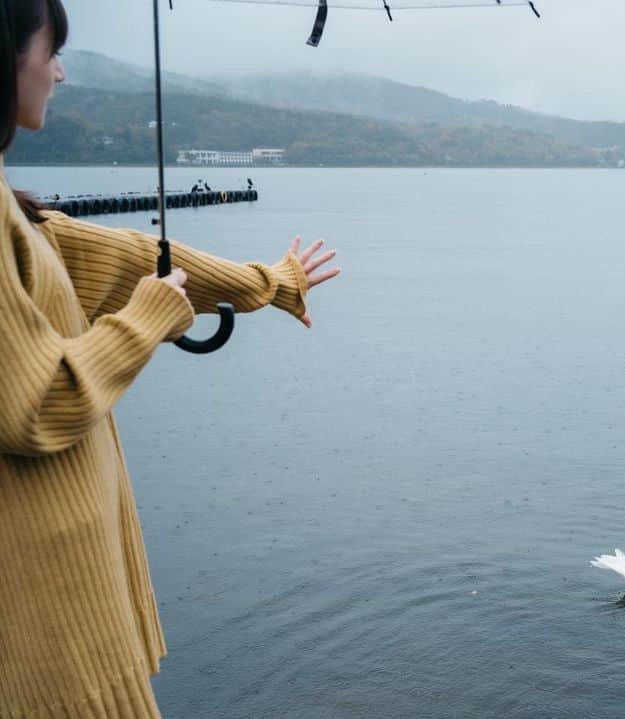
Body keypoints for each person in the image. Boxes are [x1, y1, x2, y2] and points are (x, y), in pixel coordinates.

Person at [0, 1, 341, 715]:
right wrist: (150, 320)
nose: (59, 70)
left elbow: (133, 260)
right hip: (43, 623)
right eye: (48, 48)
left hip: (62, 603)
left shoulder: (13, 212)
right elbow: (36, 403)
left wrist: (268, 283)